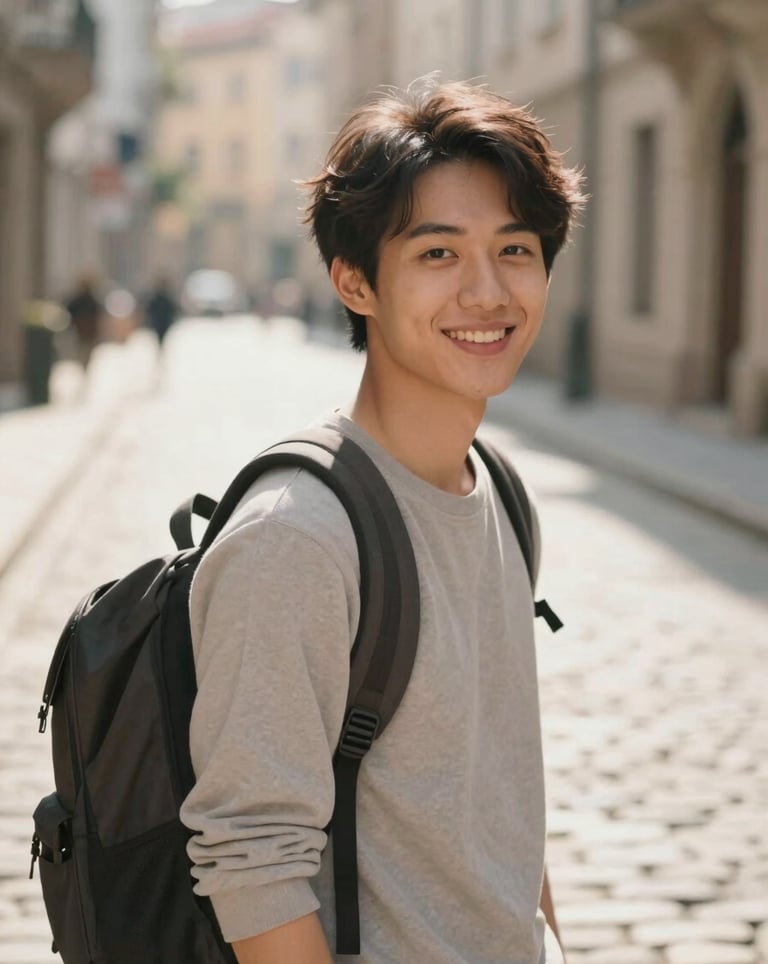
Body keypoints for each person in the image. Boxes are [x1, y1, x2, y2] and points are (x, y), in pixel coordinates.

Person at [180, 78, 585, 963]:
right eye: (438, 256)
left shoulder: (501, 493)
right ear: (355, 281)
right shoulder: (296, 541)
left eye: (515, 249)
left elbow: (496, 789)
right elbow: (253, 861)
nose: (488, 291)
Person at [64, 275, 103, 372]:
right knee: (84, 352)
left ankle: (84, 367)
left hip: (86, 333)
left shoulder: (89, 300)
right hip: (84, 332)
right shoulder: (86, 300)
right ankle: (84, 368)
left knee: (85, 352)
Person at [143, 276, 179, 353]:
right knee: (159, 336)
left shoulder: (167, 296)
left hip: (164, 321)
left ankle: (161, 347)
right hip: (159, 321)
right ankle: (160, 347)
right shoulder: (157, 297)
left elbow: (173, 308)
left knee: (162, 336)